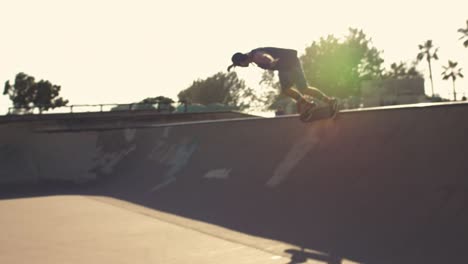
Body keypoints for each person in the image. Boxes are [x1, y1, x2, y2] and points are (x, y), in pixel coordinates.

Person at [227, 47, 337, 115]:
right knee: (286, 90)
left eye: (239, 65)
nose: (241, 67)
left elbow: (264, 56)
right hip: (284, 67)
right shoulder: (250, 56)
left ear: (242, 62)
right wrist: (231, 66)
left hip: (291, 63)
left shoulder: (256, 56)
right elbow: (251, 56)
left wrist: (270, 61)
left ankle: (329, 101)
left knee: (303, 88)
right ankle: (308, 104)